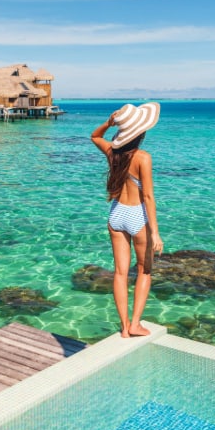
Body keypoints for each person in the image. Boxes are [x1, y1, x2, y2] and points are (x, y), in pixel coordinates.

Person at [90, 102, 163, 337]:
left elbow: (94, 136)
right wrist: (156, 233)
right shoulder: (143, 157)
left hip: (116, 214)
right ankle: (135, 324)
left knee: (120, 273)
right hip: (136, 216)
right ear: (140, 132)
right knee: (144, 271)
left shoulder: (113, 152)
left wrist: (108, 123)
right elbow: (149, 197)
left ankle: (123, 328)